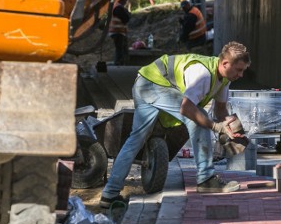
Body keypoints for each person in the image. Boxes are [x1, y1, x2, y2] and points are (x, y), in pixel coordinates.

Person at [99, 41, 252, 209]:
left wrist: (229, 126)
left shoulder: (224, 80)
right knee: (198, 118)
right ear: (225, 63)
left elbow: (221, 110)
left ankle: (109, 194)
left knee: (136, 139)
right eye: (239, 70)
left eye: (243, 70)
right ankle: (206, 179)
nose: (241, 75)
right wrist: (215, 127)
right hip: (151, 84)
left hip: (146, 82)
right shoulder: (203, 74)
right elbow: (186, 108)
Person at [109, 0, 131, 65]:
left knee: (121, 49)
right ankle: (118, 64)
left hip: (118, 32)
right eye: (125, 0)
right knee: (120, 49)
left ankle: (120, 63)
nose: (125, 2)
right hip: (117, 32)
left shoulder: (116, 6)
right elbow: (126, 18)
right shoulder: (118, 7)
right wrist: (128, 13)